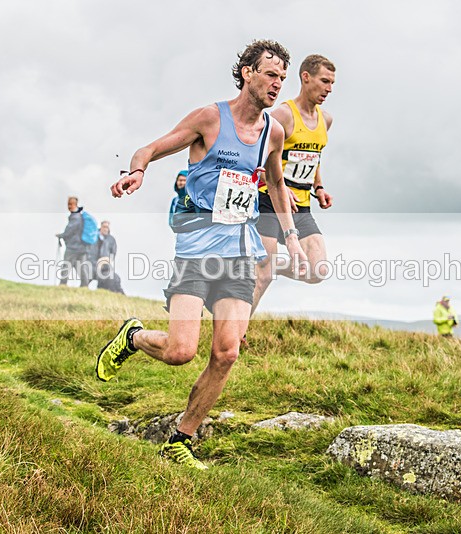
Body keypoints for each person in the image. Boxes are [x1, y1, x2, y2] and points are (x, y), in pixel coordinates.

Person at [96, 39, 307, 469]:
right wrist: (136, 171)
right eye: (270, 74)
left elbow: (278, 183)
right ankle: (133, 337)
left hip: (239, 254)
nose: (277, 84)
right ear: (247, 73)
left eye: (282, 78)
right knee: (180, 351)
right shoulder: (211, 118)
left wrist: (292, 236)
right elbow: (151, 148)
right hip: (196, 251)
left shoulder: (274, 131)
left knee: (227, 353)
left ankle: (180, 440)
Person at [250, 54, 336, 327]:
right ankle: (237, 334)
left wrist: (319, 186)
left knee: (319, 270)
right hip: (270, 201)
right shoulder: (283, 115)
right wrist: (277, 186)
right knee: (262, 278)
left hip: (302, 205)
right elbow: (257, 155)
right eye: (324, 81)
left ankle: (270, 266)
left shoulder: (326, 120)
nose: (329, 89)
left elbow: (314, 156)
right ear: (305, 77)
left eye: (332, 83)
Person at [56, 196, 92, 287]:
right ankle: (85, 286)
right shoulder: (79, 216)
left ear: (74, 204)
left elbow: (69, 230)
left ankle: (62, 285)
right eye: (68, 204)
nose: (68, 206)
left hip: (73, 247)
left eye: (70, 204)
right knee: (80, 267)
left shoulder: (75, 217)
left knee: (66, 266)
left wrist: (61, 235)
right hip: (82, 247)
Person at [94, 220, 124, 294]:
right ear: (100, 227)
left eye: (107, 227)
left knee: (107, 278)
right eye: (104, 227)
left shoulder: (111, 239)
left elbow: (113, 252)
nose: (105, 229)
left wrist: (109, 260)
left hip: (105, 263)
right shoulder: (94, 236)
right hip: (94, 262)